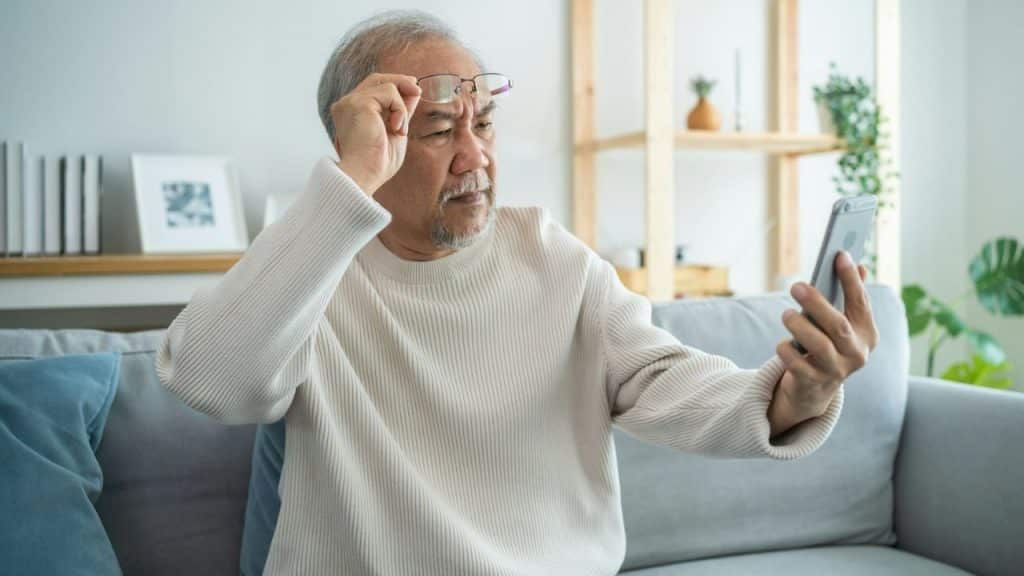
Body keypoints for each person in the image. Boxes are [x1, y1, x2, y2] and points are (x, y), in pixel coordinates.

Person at [156, 10, 878, 575]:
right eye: (439, 129)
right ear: (368, 147)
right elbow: (209, 381)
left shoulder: (550, 258)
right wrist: (344, 187)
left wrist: (798, 392)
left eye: (486, 124)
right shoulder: (310, 266)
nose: (477, 156)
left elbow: (666, 378)